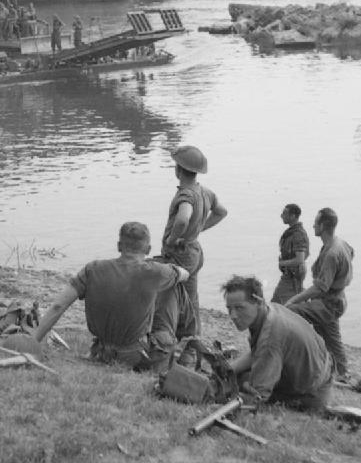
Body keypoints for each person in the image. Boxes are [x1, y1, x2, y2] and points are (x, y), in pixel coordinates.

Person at [34, 221, 190, 371]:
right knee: (175, 287)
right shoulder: (155, 271)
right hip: (135, 356)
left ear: (119, 246)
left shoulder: (92, 269)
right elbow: (185, 274)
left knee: (157, 289)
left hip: (101, 351)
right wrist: (164, 267)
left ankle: (188, 350)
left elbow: (58, 306)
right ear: (148, 249)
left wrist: (32, 341)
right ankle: (189, 349)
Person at [223, 275, 333, 413]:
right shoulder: (269, 310)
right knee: (235, 375)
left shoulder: (270, 336)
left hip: (311, 393)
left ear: (257, 301)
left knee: (237, 383)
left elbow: (258, 397)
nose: (233, 315)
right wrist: (227, 370)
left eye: (239, 308)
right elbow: (257, 352)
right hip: (321, 371)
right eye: (229, 309)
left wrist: (236, 385)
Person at [160, 145, 227, 336]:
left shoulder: (186, 194)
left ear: (178, 169)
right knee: (191, 297)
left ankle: (174, 335)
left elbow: (182, 218)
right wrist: (197, 230)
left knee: (170, 295)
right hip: (195, 252)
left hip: (179, 254)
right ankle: (194, 336)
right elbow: (222, 212)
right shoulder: (205, 192)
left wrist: (172, 239)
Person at [285, 208, 354, 379]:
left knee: (291, 312)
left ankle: (294, 356)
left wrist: (293, 300)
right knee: (331, 338)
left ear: (323, 226)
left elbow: (319, 288)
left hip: (329, 303)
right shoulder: (340, 244)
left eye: (316, 222)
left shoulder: (331, 253)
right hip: (337, 299)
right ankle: (341, 371)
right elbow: (351, 253)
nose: (313, 225)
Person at [271, 203, 310, 305]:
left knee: (277, 304)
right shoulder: (293, 232)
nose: (281, 215)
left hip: (292, 276)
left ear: (293, 216)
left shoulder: (298, 234)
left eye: (284, 213)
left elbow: (300, 259)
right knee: (293, 301)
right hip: (293, 275)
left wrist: (282, 263)